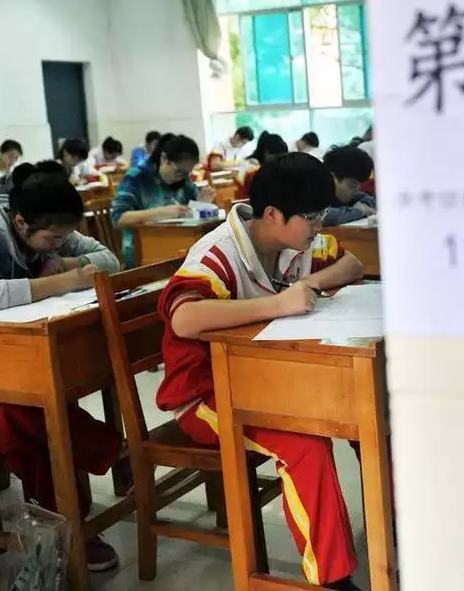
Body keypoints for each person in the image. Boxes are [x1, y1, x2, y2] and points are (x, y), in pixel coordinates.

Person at [157, 153, 365, 590]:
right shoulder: (217, 254)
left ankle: (398, 517)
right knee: (305, 444)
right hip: (208, 395)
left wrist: (309, 283)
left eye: (322, 215)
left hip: (270, 381)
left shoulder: (299, 243)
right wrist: (278, 304)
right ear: (273, 214)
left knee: (360, 408)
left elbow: (353, 265)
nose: (319, 226)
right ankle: (332, 578)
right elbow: (184, 320)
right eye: (311, 217)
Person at [0, 164, 124, 571]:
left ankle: (63, 523)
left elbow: (110, 260)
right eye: (53, 240)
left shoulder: (48, 223)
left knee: (41, 401)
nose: (58, 244)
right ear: (20, 222)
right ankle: (108, 461)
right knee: (15, 416)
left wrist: (65, 263)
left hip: (17, 350)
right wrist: (66, 280)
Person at [112, 134, 214, 268]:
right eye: (178, 171)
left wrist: (201, 204)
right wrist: (161, 212)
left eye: (186, 173)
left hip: (179, 246)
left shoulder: (183, 179)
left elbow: (189, 212)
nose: (181, 177)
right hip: (142, 253)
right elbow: (118, 219)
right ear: (164, 158)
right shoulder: (136, 177)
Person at [321, 146, 376, 227]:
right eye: (352, 185)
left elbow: (369, 199)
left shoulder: (348, 194)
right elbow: (325, 216)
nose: (356, 191)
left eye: (359, 185)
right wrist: (360, 211)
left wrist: (364, 206)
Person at [236, 132, 289, 200]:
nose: (280, 161)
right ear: (266, 153)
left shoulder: (282, 165)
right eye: (277, 157)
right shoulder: (252, 167)